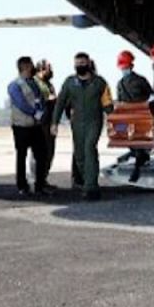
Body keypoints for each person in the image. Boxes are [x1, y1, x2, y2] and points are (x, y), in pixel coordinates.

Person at [51, 52, 114, 201]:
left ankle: (91, 187)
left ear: (89, 63)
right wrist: (55, 122)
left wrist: (114, 121)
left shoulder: (100, 83)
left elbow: (108, 105)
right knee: (79, 155)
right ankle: (88, 182)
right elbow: (60, 103)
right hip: (77, 124)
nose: (80, 66)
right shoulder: (69, 83)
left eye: (82, 63)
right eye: (77, 64)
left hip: (94, 122)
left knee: (89, 149)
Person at [7, 56, 50, 196]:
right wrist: (34, 112)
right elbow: (20, 103)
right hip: (21, 125)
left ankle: (40, 185)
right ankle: (22, 185)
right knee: (21, 155)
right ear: (25, 67)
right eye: (31, 65)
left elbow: (40, 98)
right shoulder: (14, 85)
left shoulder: (33, 83)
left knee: (42, 154)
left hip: (35, 125)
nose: (33, 68)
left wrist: (42, 111)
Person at [114, 49, 154, 181]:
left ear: (131, 66)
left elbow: (152, 96)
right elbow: (120, 102)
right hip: (129, 116)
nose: (124, 69)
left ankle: (138, 166)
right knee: (131, 141)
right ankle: (140, 158)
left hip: (138, 115)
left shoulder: (139, 81)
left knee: (137, 143)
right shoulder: (120, 84)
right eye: (123, 67)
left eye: (125, 67)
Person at [31, 58, 57, 188]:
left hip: (50, 122)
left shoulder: (49, 84)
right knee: (40, 153)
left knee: (49, 152)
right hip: (40, 123)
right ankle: (37, 180)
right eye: (48, 68)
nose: (50, 71)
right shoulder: (35, 83)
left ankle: (44, 179)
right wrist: (48, 99)